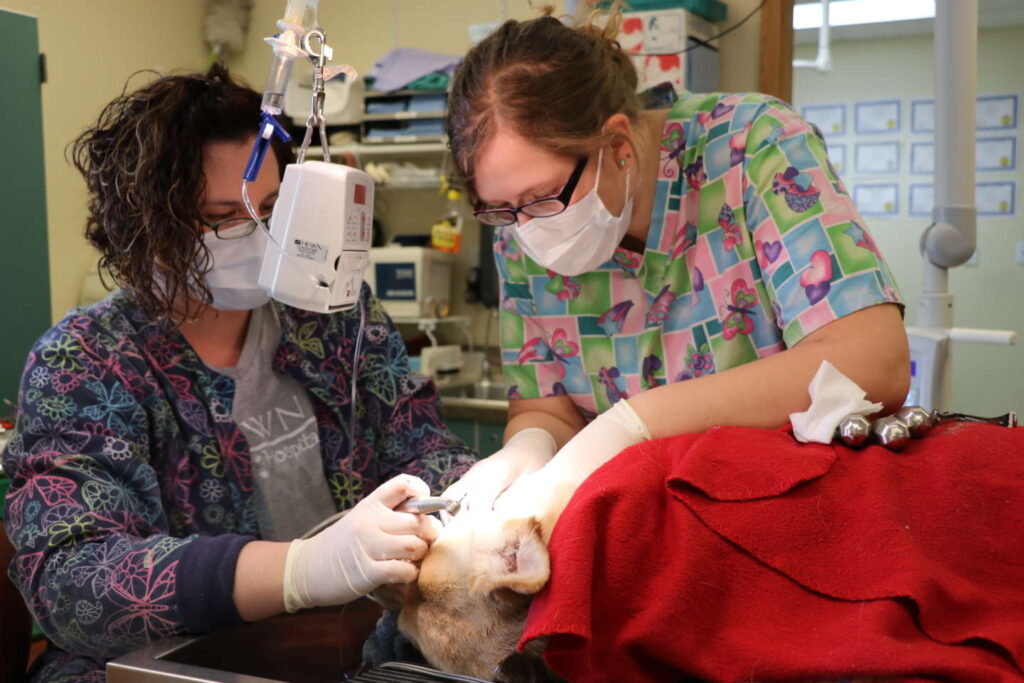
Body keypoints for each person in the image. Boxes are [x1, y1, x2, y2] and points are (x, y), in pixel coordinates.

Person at [1, 64, 476, 681]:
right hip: (168, 664)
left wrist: (477, 496)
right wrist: (299, 571)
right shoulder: (87, 361)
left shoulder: (331, 315)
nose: (256, 239)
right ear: (142, 224)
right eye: (220, 217)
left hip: (357, 644)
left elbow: (421, 445)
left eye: (272, 210)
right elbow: (75, 584)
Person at [443, 9, 910, 511]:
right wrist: (527, 447)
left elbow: (874, 361)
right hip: (644, 528)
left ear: (619, 146)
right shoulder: (517, 225)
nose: (528, 228)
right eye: (500, 209)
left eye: (543, 198)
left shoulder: (752, 145)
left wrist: (636, 425)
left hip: (794, 506)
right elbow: (546, 408)